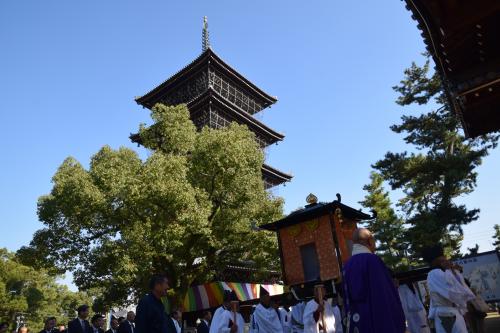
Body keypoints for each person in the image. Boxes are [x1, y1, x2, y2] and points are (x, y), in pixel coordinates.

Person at [343, 228, 406, 333]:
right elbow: (384, 295)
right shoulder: (373, 260)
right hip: (377, 321)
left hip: (358, 321)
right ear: (370, 241)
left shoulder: (347, 265)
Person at [422, 244, 475, 333]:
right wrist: (450, 270)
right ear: (437, 260)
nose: (446, 259)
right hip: (446, 313)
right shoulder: (434, 273)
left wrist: (454, 271)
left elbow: (460, 288)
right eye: (442, 258)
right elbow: (453, 292)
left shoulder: (443, 272)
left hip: (452, 312)